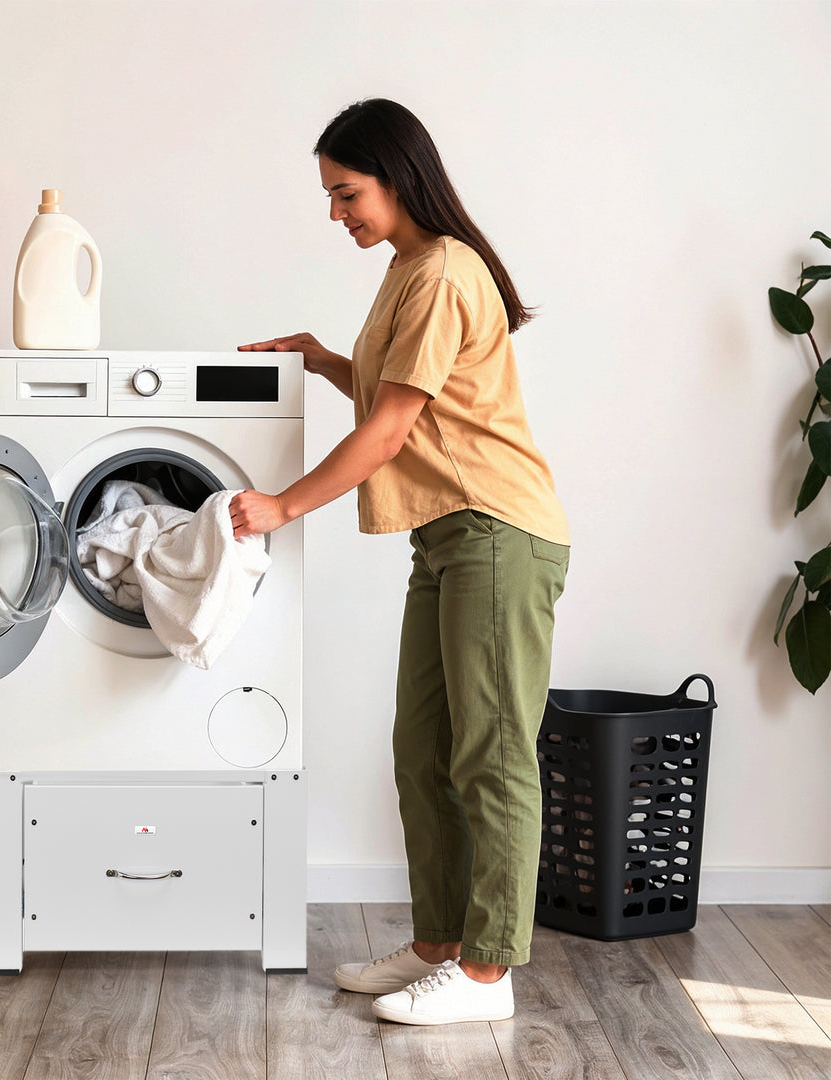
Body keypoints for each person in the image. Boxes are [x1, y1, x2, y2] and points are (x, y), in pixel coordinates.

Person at [230, 98, 569, 1026]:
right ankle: (439, 944)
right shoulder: (410, 267)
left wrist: (283, 506)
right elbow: (400, 392)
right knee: (422, 750)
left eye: (346, 194)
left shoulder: (444, 271)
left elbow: (389, 430)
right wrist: (322, 358)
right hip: (448, 540)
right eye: (332, 199)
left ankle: (489, 974)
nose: (337, 214)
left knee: (492, 752)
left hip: (497, 531)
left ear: (396, 175)